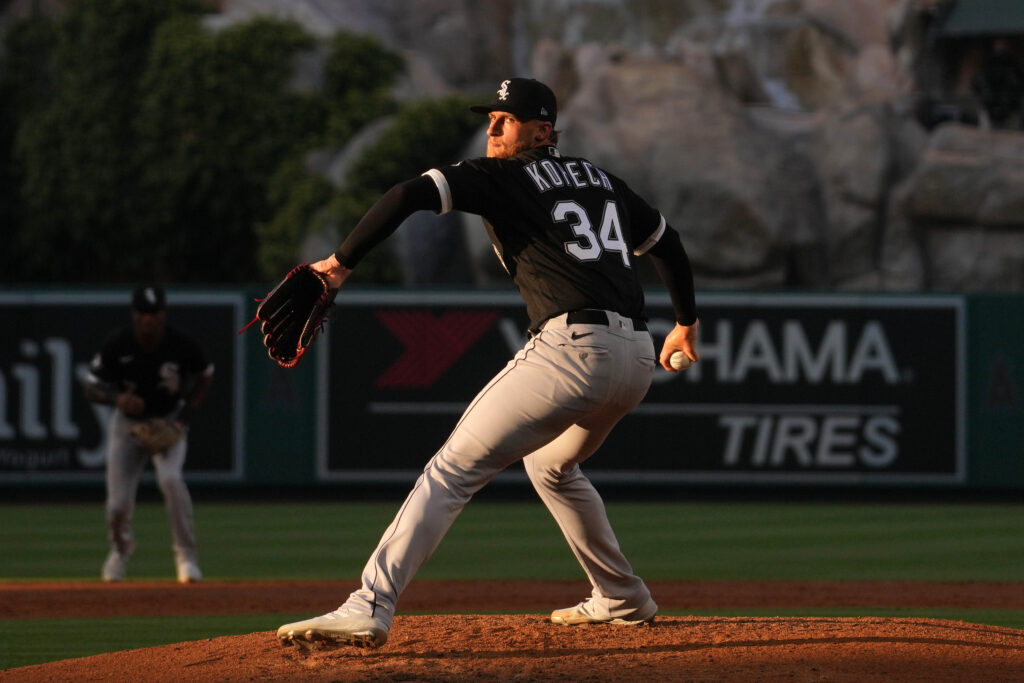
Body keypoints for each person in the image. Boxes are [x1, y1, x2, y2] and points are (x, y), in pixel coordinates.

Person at [277, 78, 700, 648]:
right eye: (492, 116)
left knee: (450, 471)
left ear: (542, 130)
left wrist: (339, 263)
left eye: (509, 118)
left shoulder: (505, 176)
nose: (493, 127)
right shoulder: (601, 180)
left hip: (573, 349)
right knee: (552, 468)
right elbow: (666, 243)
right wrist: (686, 323)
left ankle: (368, 604)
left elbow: (407, 194)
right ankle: (621, 596)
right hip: (636, 359)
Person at [83, 284, 214, 583]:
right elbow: (91, 385)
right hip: (128, 426)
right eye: (144, 313)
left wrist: (184, 417)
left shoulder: (179, 344)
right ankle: (120, 551)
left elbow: (206, 373)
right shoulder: (119, 344)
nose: (149, 319)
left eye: (154, 313)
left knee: (170, 480)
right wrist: (117, 399)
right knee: (117, 504)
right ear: (135, 314)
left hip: (167, 421)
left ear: (163, 314)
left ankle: (186, 557)